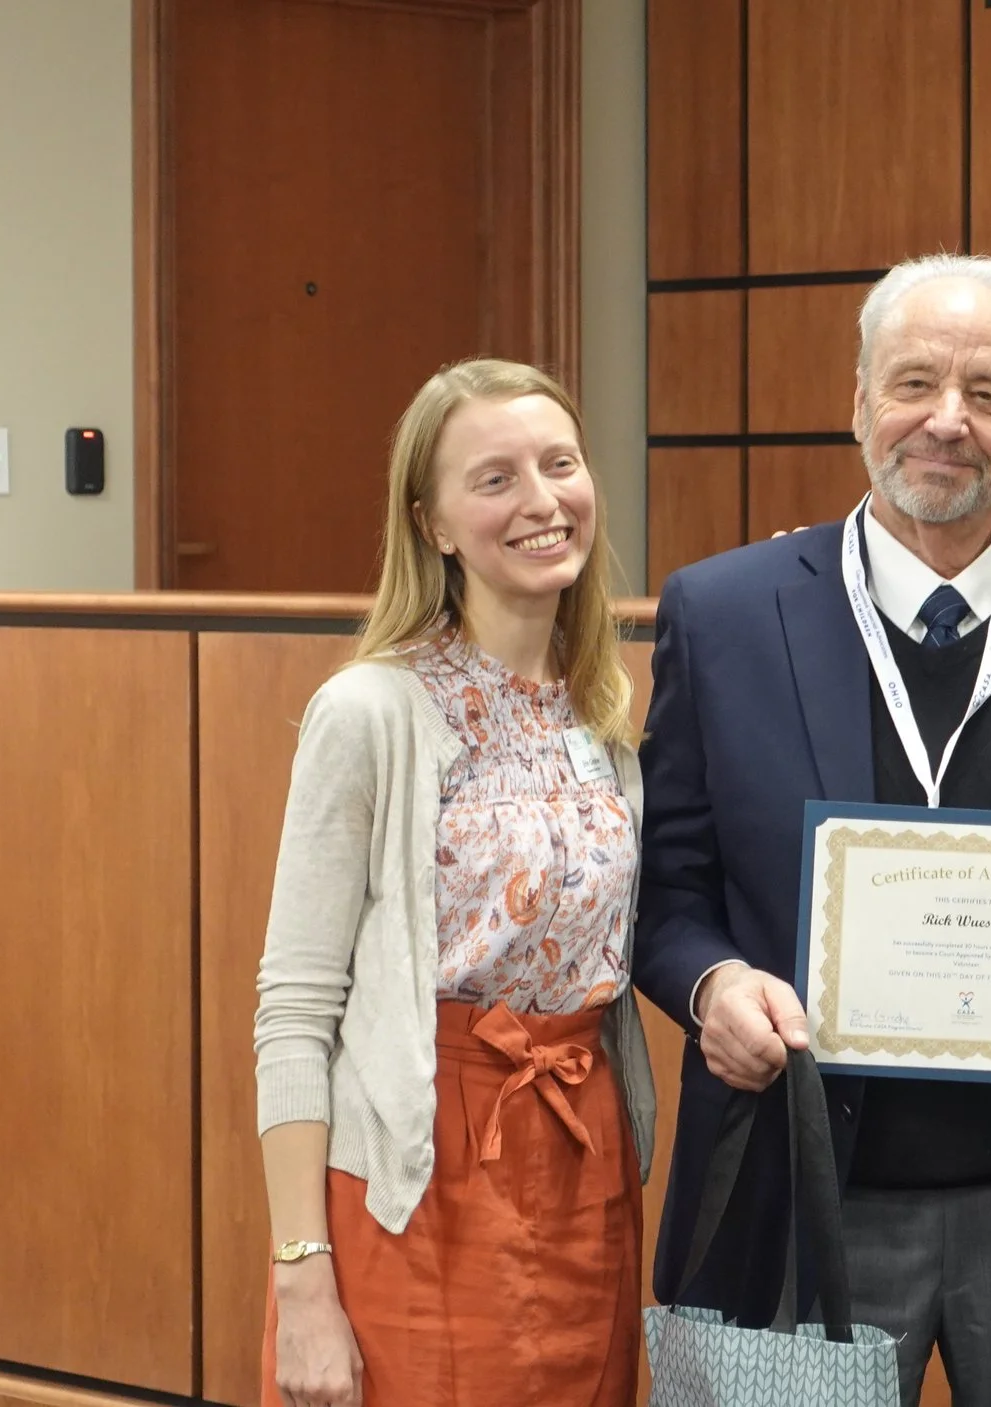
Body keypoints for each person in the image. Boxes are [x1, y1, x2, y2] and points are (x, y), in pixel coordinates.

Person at [634, 254, 991, 1407]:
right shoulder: (724, 613)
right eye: (914, 384)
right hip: (803, 1200)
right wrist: (709, 989)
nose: (947, 421)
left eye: (987, 395)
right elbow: (668, 893)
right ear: (857, 404)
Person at [252, 359, 658, 1407]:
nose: (540, 501)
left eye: (558, 465)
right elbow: (295, 1011)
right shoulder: (371, 711)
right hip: (418, 1174)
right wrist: (301, 1285)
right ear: (431, 522)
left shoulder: (601, 717)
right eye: (494, 479)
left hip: (584, 1170)